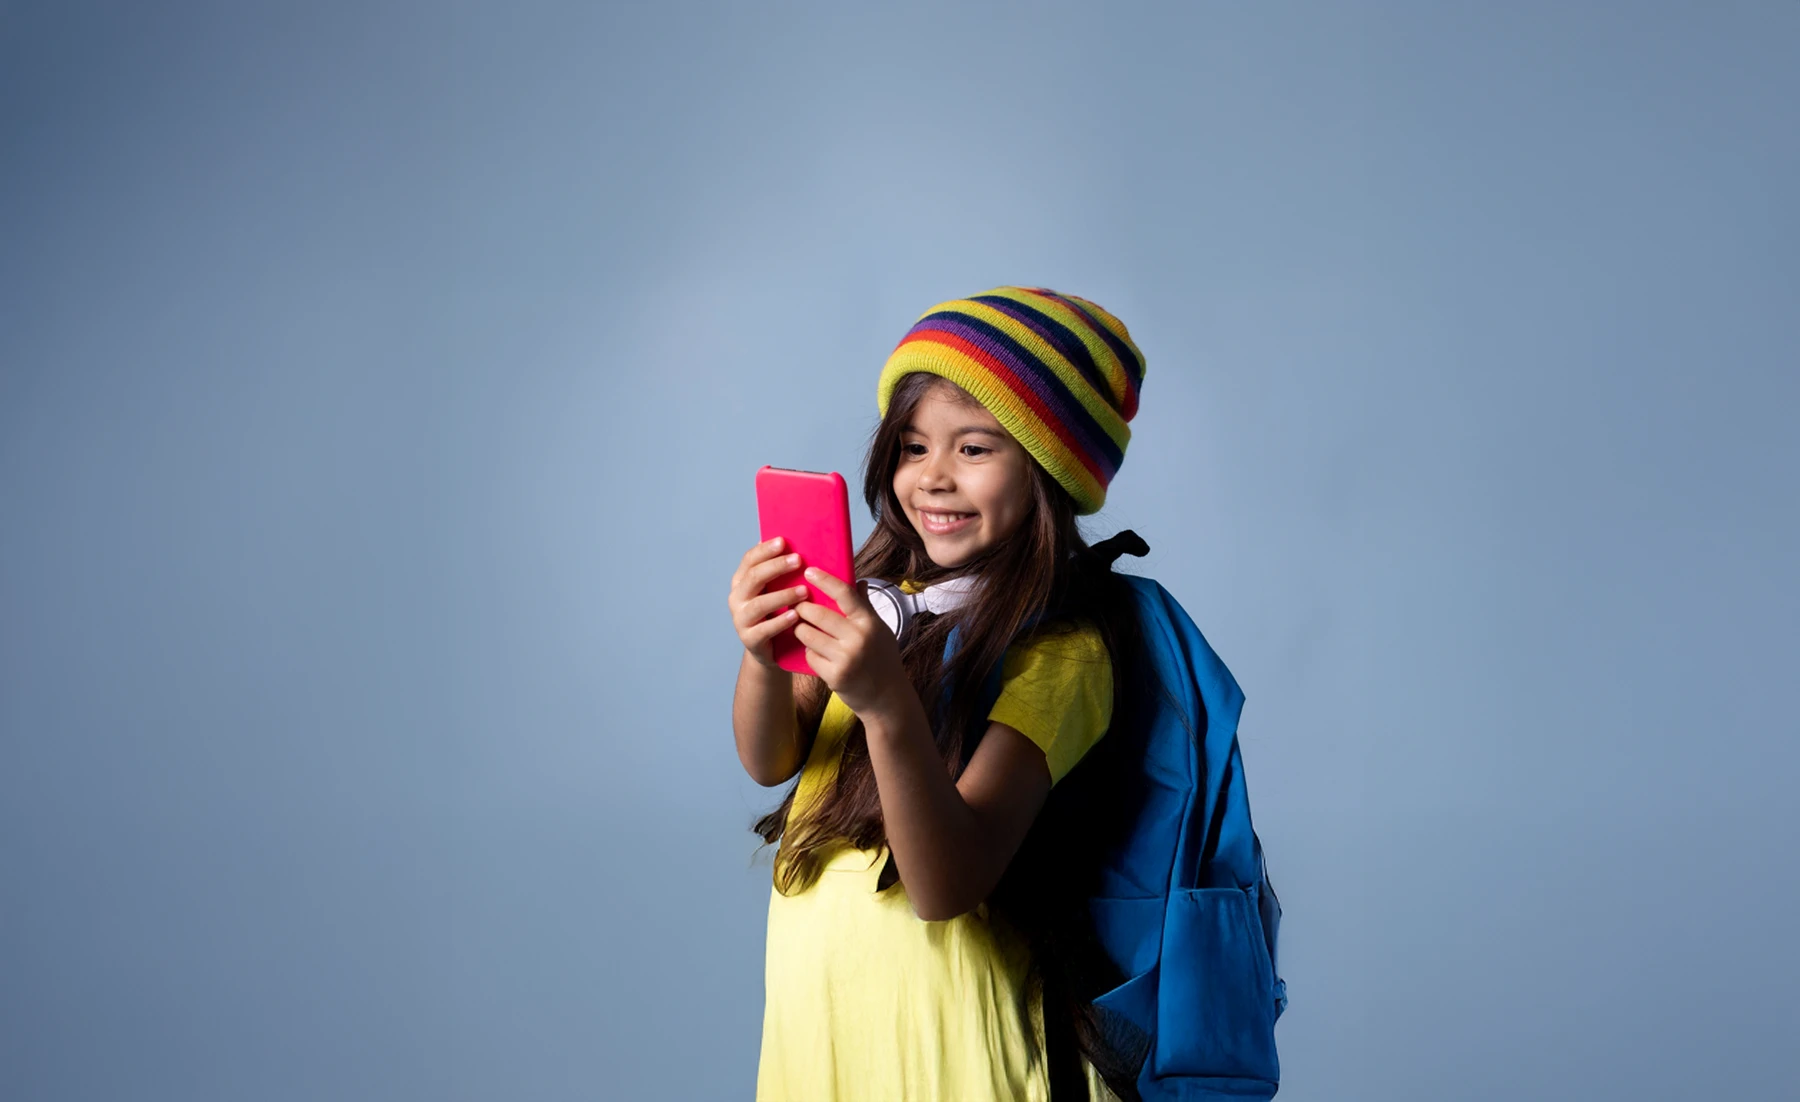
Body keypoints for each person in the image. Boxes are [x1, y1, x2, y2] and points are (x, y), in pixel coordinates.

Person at [727, 287, 1157, 1102]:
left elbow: (947, 885)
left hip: (963, 1055)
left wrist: (888, 705)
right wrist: (762, 654)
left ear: (1048, 472)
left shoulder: (1063, 650)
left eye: (976, 449)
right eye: (915, 446)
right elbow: (769, 757)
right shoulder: (878, 598)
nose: (933, 478)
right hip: (825, 1041)